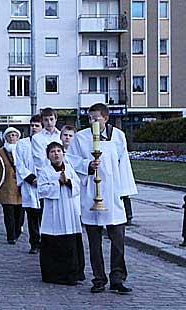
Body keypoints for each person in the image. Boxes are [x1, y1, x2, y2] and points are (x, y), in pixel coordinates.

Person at [69, 103, 138, 294]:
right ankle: (98, 278)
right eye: (90, 118)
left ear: (106, 118)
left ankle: (117, 277)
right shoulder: (81, 138)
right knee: (94, 242)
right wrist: (88, 165)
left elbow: (124, 164)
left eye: (96, 118)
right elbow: (71, 160)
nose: (92, 122)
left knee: (117, 240)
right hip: (91, 193)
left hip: (113, 194)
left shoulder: (118, 136)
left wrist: (125, 194)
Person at [37, 142, 85, 285]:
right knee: (54, 242)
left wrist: (69, 182)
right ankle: (55, 275)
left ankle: (73, 273)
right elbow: (41, 190)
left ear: (63, 153)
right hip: (53, 211)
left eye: (58, 151)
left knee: (71, 241)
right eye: (52, 151)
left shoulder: (70, 169)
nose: (56, 154)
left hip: (69, 210)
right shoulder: (45, 171)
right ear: (48, 155)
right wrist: (58, 183)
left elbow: (78, 186)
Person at [14, 115, 43, 254]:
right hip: (29, 183)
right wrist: (31, 178)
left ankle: (47, 242)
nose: (34, 128)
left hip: (44, 184)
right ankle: (34, 243)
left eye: (37, 125)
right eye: (32, 125)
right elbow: (19, 164)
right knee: (32, 217)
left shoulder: (46, 143)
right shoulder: (23, 143)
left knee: (45, 216)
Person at [0, 127, 24, 244]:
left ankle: (17, 230)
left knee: (19, 214)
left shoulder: (22, 150)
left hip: (21, 188)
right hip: (6, 187)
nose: (12, 137)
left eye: (14, 135)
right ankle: (11, 236)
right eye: (9, 135)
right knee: (8, 213)